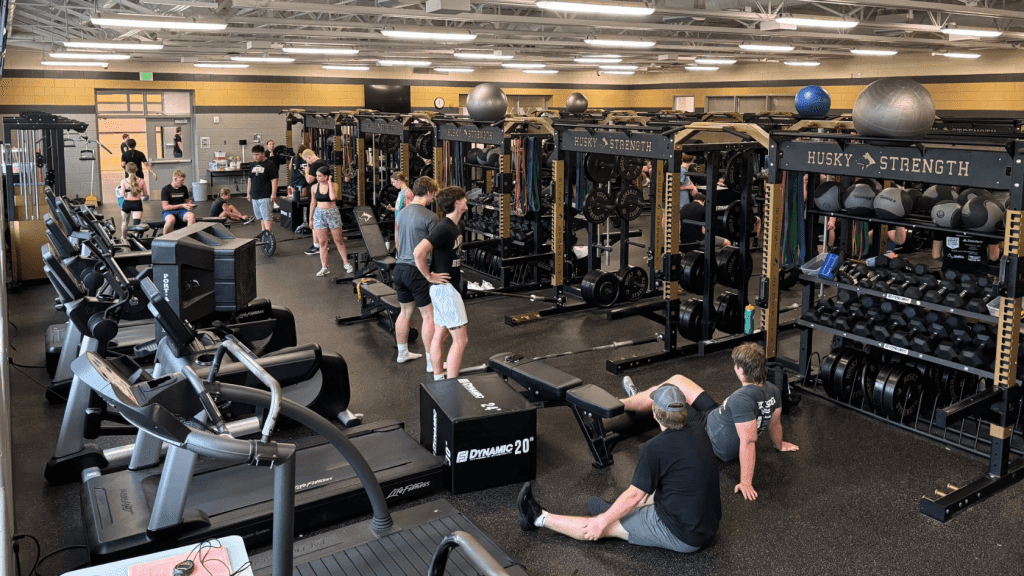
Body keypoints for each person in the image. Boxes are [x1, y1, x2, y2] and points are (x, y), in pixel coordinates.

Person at [516, 383, 721, 553]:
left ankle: (537, 518)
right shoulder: (698, 429)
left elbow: (635, 495)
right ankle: (615, 511)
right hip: (708, 526)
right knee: (662, 482)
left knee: (604, 526)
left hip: (685, 536)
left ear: (655, 415)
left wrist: (603, 521)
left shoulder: (653, 448)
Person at [619, 343, 799, 501]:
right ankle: (637, 399)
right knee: (678, 379)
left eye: (736, 366)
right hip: (716, 417)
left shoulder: (741, 400)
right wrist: (779, 444)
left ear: (741, 371)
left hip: (708, 433)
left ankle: (620, 404)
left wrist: (745, 482)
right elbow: (775, 423)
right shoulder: (773, 390)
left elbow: (748, 442)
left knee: (665, 392)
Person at [414, 186, 468, 380]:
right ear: (456, 202)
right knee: (461, 340)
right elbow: (419, 252)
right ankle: (451, 384)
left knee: (441, 335)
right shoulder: (443, 227)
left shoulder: (458, 225)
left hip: (448, 288)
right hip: (444, 290)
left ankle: (438, 379)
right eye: (463, 198)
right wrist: (429, 276)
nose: (466, 200)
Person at [393, 176, 439, 368]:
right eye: (434, 194)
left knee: (405, 312)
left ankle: (402, 353)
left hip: (399, 269)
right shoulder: (430, 216)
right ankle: (431, 362)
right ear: (428, 192)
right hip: (417, 270)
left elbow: (397, 239)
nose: (434, 197)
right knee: (428, 316)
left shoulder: (402, 212)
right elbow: (435, 247)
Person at [309, 166, 354, 277]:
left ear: (326, 176)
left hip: (332, 213)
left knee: (338, 240)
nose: (317, 178)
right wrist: (310, 219)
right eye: (317, 176)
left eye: (320, 176)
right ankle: (324, 267)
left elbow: (333, 197)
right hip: (319, 214)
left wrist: (329, 182)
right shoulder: (314, 187)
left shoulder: (334, 185)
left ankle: (346, 263)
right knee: (322, 242)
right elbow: (312, 203)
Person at [298, 148, 330, 256]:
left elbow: (309, 180)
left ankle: (317, 246)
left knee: (315, 220)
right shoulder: (323, 162)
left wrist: (306, 172)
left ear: (308, 157)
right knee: (320, 221)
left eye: (307, 161)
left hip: (318, 193)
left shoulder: (315, 165)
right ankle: (321, 244)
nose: (308, 163)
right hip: (324, 193)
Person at [932, 234, 1000, 277]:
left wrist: (950, 259)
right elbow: (994, 257)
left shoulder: (943, 222)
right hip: (977, 275)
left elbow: (936, 255)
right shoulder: (989, 223)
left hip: (949, 274)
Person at [246, 144, 278, 234]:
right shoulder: (252, 165)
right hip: (255, 195)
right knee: (260, 217)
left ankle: (268, 236)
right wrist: (248, 192)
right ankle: (264, 234)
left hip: (265, 195)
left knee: (267, 217)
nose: (255, 157)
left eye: (257, 155)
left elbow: (274, 180)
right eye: (254, 155)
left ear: (263, 154)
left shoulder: (270, 164)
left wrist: (273, 193)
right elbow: (249, 179)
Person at [118, 162, 149, 239]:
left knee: (124, 222)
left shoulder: (124, 181)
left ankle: (123, 238)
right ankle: (136, 241)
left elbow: (122, 195)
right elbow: (145, 194)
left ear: (126, 170)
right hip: (137, 204)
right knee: (136, 225)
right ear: (136, 170)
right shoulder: (142, 181)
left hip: (126, 204)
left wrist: (119, 191)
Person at [160, 169, 196, 234]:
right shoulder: (166, 189)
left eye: (183, 180)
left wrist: (189, 205)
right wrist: (181, 205)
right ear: (175, 178)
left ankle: (189, 237)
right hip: (168, 211)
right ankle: (164, 239)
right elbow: (165, 207)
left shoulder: (184, 188)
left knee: (191, 216)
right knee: (171, 220)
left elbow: (187, 201)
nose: (183, 182)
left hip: (181, 211)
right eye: (181, 180)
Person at [391, 171, 414, 248]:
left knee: (402, 245)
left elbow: (409, 211)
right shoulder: (401, 192)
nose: (393, 184)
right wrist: (393, 209)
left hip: (403, 223)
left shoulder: (407, 193)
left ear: (398, 180)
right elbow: (401, 208)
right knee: (398, 245)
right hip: (398, 221)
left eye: (393, 182)